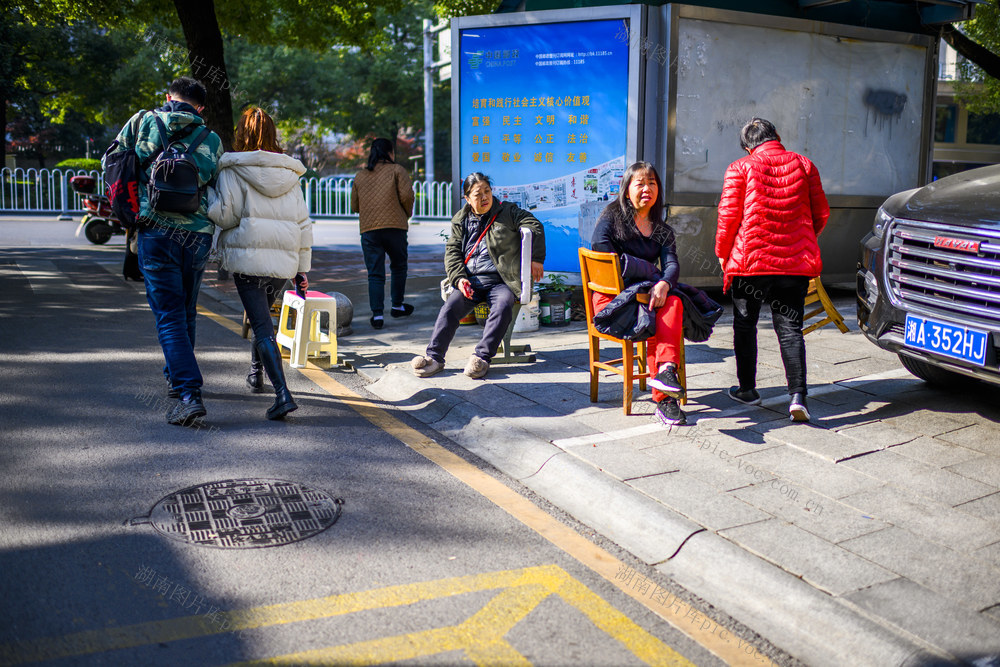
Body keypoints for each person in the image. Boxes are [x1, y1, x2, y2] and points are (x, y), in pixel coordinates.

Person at [104, 76, 224, 426]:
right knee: (186, 309)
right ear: (199, 108)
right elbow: (217, 184)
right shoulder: (212, 139)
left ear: (168, 97)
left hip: (154, 229)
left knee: (168, 314)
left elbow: (111, 164)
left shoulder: (142, 122)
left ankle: (188, 393)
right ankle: (177, 379)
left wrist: (131, 208)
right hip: (197, 235)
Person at [715, 117, 829, 422]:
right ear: (776, 136)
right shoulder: (805, 165)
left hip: (751, 264)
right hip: (794, 266)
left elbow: (728, 218)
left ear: (746, 146)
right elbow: (821, 213)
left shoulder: (740, 168)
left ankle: (747, 389)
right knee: (790, 329)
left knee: (745, 324)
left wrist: (723, 254)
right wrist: (802, 240)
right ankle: (798, 397)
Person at [208, 107, 313, 420]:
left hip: (248, 260)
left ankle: (283, 394)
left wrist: (207, 200)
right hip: (282, 263)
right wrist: (302, 269)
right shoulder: (289, 174)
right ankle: (256, 372)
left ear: (243, 133)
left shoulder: (232, 170)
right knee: (261, 318)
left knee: (263, 325)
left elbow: (225, 215)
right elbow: (303, 223)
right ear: (272, 133)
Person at [411, 173, 544, 380]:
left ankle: (481, 358)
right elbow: (453, 252)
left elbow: (534, 225)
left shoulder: (508, 211)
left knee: (502, 306)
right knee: (450, 309)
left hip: (500, 281)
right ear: (467, 198)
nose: (484, 197)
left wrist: (535, 258)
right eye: (478, 194)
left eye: (487, 191)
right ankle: (434, 358)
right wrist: (459, 279)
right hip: (470, 281)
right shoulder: (460, 219)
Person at [591, 162, 687, 426]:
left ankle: (666, 373)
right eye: (640, 183)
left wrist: (664, 283)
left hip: (645, 298)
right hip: (612, 303)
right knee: (659, 315)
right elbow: (604, 264)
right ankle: (665, 399)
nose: (647, 189)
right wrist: (647, 277)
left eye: (652, 183)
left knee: (674, 300)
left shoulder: (660, 229)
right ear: (626, 190)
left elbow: (671, 264)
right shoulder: (611, 220)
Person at [350, 138, 415, 330]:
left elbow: (354, 205)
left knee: (375, 273)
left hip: (369, 230)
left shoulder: (360, 176)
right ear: (390, 153)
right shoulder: (397, 170)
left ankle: (377, 315)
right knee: (399, 266)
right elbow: (407, 196)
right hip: (395, 227)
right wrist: (406, 213)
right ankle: (397, 306)